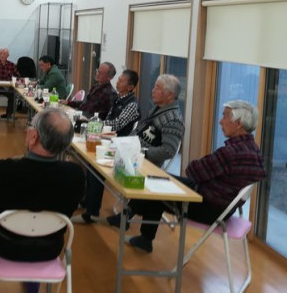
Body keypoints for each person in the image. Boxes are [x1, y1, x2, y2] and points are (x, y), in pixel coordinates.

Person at [110, 100, 266, 253]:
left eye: (225, 116)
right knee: (159, 178)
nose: (220, 121)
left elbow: (193, 170)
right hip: (222, 205)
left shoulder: (230, 153)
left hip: (206, 206)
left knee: (154, 190)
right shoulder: (254, 150)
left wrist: (203, 171)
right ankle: (132, 220)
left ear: (238, 123)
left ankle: (135, 226)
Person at [0, 109, 85, 279]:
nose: (26, 130)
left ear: (34, 136)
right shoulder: (76, 174)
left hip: (4, 245)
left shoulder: (4, 169)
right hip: (49, 248)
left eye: (29, 126)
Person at [72, 69, 141, 224]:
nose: (118, 82)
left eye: (122, 80)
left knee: (95, 167)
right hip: (108, 140)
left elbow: (117, 124)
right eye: (119, 79)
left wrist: (95, 123)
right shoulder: (119, 99)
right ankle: (86, 201)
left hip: (119, 147)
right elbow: (109, 120)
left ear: (130, 87)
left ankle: (92, 213)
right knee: (88, 159)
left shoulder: (131, 105)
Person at [0, 47, 20, 122]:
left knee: (13, 95)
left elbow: (18, 76)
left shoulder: (11, 65)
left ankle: (9, 115)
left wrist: (15, 81)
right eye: (1, 53)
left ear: (8, 55)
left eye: (4, 53)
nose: (2, 55)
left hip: (7, 87)